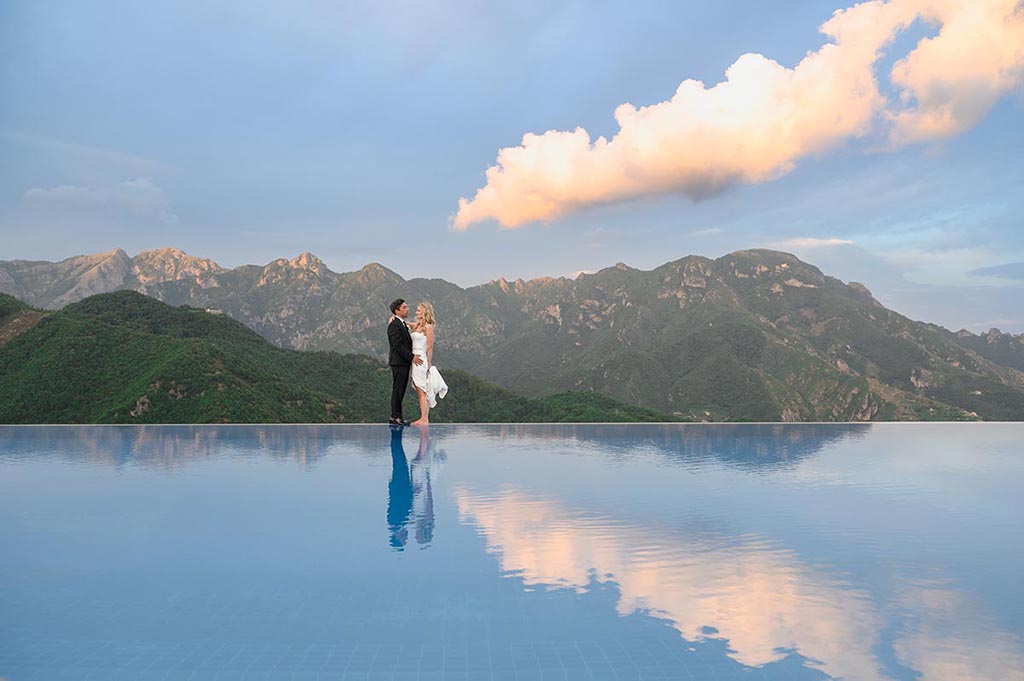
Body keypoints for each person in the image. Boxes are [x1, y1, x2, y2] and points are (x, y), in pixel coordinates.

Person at [407, 302, 448, 426]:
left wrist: (429, 363)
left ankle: (424, 418)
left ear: (425, 312)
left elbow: (430, 347)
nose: (416, 312)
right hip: (414, 359)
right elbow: (409, 324)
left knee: (422, 389)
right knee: (420, 388)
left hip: (421, 360)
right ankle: (424, 417)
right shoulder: (418, 325)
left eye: (419, 310)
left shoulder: (428, 327)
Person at [387, 299, 421, 426]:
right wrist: (412, 357)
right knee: (397, 389)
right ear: (397, 310)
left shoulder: (400, 323)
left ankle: (398, 416)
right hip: (399, 362)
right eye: (404, 307)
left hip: (402, 363)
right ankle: (395, 417)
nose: (407, 309)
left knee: (400, 390)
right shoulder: (394, 325)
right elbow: (397, 345)